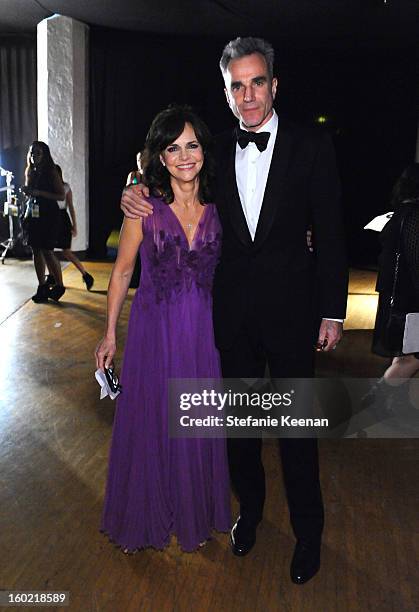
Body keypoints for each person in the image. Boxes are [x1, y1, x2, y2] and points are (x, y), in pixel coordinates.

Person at [120, 37, 348, 583]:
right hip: (232, 319)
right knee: (241, 432)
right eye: (236, 86)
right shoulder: (214, 149)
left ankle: (309, 535)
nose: (248, 95)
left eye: (257, 82)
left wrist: (333, 311)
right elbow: (166, 177)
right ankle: (251, 512)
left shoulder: (310, 144)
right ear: (226, 93)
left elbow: (333, 233)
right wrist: (129, 189)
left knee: (296, 433)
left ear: (275, 84)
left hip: (294, 316)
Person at [95, 105, 231, 553]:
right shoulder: (142, 207)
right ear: (160, 156)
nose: (184, 156)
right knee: (153, 423)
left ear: (204, 152)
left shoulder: (221, 205)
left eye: (192, 145)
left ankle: (194, 510)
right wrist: (109, 333)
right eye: (173, 148)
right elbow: (120, 272)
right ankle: (146, 513)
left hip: (203, 336)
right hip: (155, 333)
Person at [365, 164, 419, 407]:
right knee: (412, 357)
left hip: (396, 299)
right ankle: (378, 397)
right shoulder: (414, 215)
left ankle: (393, 400)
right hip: (409, 302)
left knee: (406, 354)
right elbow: (415, 260)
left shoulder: (398, 213)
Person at [22, 141, 66, 302]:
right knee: (36, 250)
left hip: (49, 214)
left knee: (47, 251)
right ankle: (42, 286)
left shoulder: (51, 171)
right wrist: (27, 192)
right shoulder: (30, 171)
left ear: (45, 155)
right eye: (32, 153)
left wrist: (39, 192)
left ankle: (60, 285)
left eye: (38, 153)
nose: (34, 157)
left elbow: (61, 196)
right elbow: (31, 193)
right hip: (33, 214)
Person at [48, 165, 94, 290]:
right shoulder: (48, 188)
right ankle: (52, 277)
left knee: (66, 252)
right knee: (48, 251)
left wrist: (75, 225)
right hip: (50, 220)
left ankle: (86, 275)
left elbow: (71, 207)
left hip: (62, 220)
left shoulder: (65, 187)